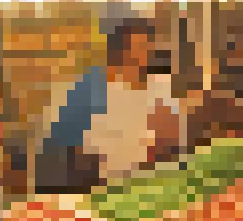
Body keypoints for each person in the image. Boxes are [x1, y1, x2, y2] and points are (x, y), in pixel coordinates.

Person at [37, 20, 179, 192]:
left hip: (141, 179)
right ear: (119, 52)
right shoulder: (93, 86)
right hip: (92, 182)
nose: (147, 54)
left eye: (148, 47)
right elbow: (63, 144)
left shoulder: (156, 86)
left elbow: (168, 139)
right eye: (139, 48)